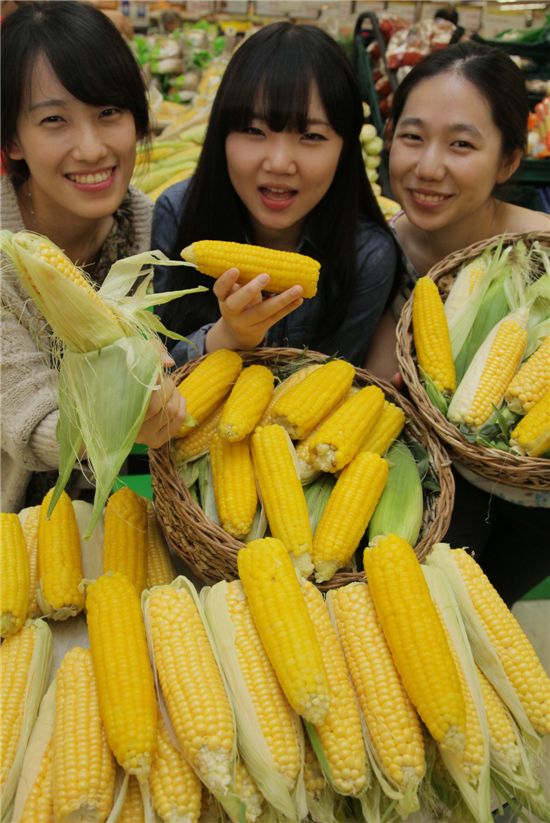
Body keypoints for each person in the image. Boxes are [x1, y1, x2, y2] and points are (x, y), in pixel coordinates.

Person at [372, 41, 550, 605]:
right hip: (433, 497)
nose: (428, 167)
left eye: (461, 145)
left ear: (508, 161)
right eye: (413, 137)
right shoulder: (378, 252)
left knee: (493, 609)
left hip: (540, 509)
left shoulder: (540, 252)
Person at [1, 1, 186, 513]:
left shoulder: (152, 225)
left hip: (127, 506)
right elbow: (30, 417)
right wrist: (115, 421)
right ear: (14, 138)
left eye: (109, 113)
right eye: (55, 119)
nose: (91, 148)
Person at [151, 21, 403, 368]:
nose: (280, 163)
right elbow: (154, 364)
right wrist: (226, 337)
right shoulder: (177, 212)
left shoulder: (368, 256)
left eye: (312, 136)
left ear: (346, 150)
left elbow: (336, 385)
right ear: (220, 136)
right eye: (254, 130)